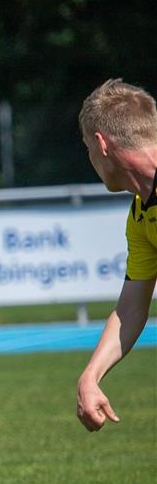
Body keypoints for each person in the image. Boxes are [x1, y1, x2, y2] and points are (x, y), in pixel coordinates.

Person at [74, 79, 157, 432]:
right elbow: (131, 307)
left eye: (86, 149)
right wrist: (90, 377)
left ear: (100, 143)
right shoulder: (140, 214)